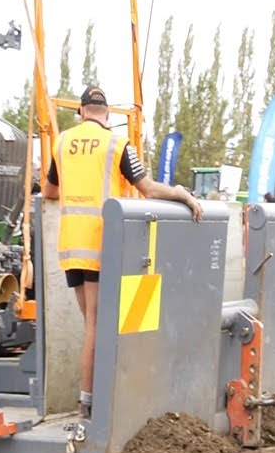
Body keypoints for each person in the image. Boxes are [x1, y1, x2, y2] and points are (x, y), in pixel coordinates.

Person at [42, 86, 202, 421]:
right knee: (98, 326)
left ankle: (90, 399)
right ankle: (88, 402)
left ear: (82, 112)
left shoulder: (61, 142)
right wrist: (181, 195)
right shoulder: (116, 144)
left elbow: (50, 190)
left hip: (72, 247)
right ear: (108, 115)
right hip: (103, 244)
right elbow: (148, 188)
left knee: (91, 323)